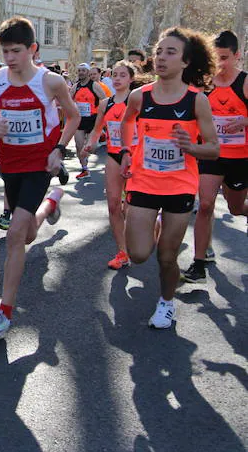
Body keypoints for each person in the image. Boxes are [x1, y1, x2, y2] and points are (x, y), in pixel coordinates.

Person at [0, 17, 80, 341]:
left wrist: (59, 150)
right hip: (10, 163)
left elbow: (74, 116)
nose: (9, 58)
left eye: (16, 51)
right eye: (5, 51)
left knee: (14, 235)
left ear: (32, 49)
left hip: (39, 164)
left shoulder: (50, 82)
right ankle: (50, 206)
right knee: (29, 234)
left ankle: (3, 314)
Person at [119, 27, 219, 328]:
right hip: (143, 181)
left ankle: (166, 303)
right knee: (137, 254)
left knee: (166, 258)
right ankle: (155, 223)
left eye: (170, 52)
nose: (161, 57)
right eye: (159, 51)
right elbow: (126, 123)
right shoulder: (140, 96)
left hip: (179, 186)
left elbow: (213, 148)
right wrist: (126, 150)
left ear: (186, 62)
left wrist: (192, 147)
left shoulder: (195, 101)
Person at [181, 30, 247, 283]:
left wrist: (244, 120)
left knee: (236, 208)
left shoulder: (244, 83)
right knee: (205, 204)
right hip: (212, 154)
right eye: (216, 57)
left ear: (237, 56)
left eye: (225, 58)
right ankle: (199, 263)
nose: (220, 64)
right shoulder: (204, 85)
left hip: (241, 158)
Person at [81, 61, 139, 270]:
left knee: (131, 208)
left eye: (123, 75)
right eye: (114, 74)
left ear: (131, 79)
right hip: (114, 156)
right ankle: (122, 252)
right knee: (114, 204)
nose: (117, 78)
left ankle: (145, 235)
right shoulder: (106, 103)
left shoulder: (139, 101)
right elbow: (98, 129)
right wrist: (89, 144)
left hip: (135, 157)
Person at [72, 62, 108, 179]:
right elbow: (68, 99)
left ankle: (101, 134)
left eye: (83, 70)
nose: (81, 72)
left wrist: (102, 115)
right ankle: (85, 169)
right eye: (79, 70)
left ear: (88, 73)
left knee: (90, 148)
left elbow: (104, 99)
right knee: (78, 146)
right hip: (80, 120)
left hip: (93, 119)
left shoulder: (94, 85)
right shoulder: (75, 86)